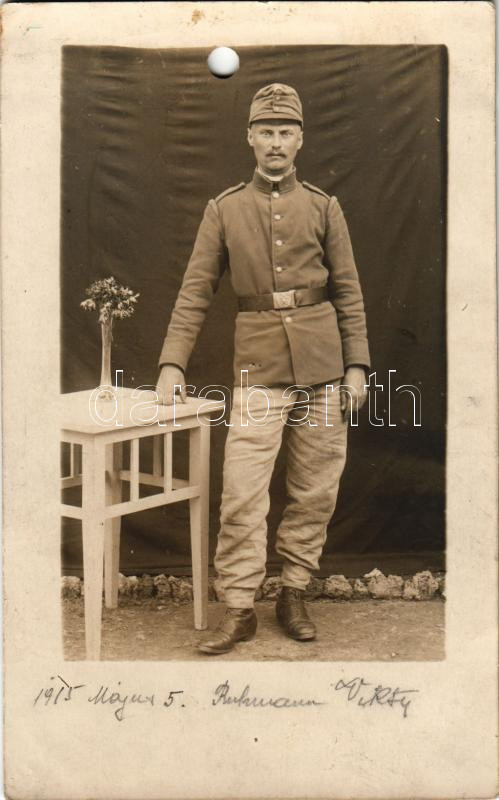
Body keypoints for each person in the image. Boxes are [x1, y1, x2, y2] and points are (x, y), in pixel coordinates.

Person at [156, 83, 370, 655]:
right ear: (249, 137)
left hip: (324, 365)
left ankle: (294, 592)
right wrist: (172, 363)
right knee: (243, 492)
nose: (276, 143)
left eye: (286, 132)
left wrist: (356, 365)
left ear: (300, 140)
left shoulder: (323, 207)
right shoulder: (224, 209)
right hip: (257, 367)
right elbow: (195, 291)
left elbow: (348, 292)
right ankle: (239, 606)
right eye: (266, 132)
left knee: (315, 489)